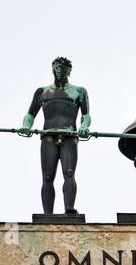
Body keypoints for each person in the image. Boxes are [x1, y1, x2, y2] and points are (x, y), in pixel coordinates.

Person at [20, 57, 91, 214]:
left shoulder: (79, 91)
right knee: (47, 177)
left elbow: (86, 115)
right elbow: (30, 114)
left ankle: (69, 209)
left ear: (69, 71)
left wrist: (84, 126)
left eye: (63, 68)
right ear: (52, 69)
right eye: (57, 67)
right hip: (49, 137)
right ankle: (47, 215)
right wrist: (26, 126)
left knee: (69, 173)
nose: (60, 70)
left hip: (69, 137)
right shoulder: (42, 92)